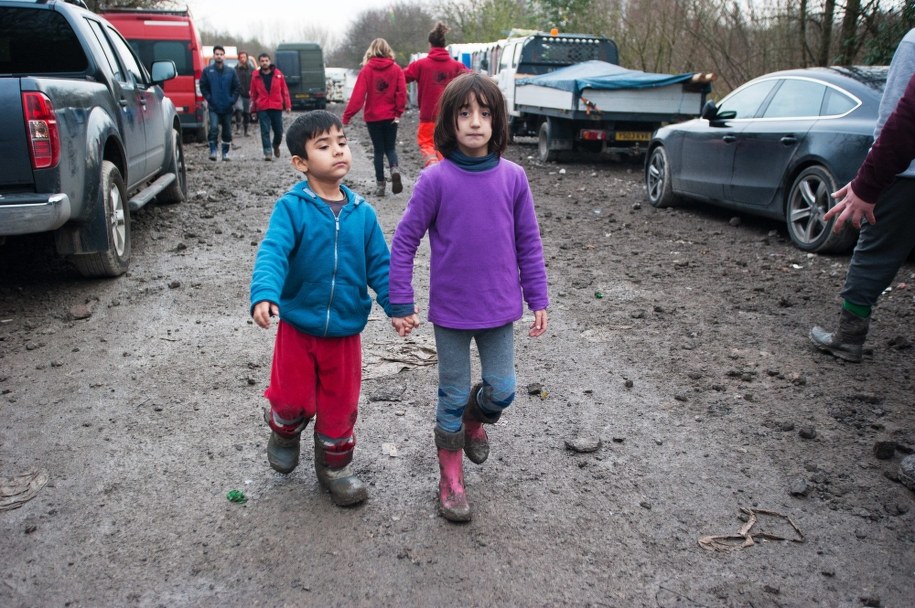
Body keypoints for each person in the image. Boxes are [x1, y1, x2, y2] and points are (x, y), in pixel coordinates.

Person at [388, 73, 550, 522]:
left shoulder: (514, 178)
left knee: (504, 389)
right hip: (452, 313)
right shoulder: (435, 180)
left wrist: (539, 298)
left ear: (498, 122)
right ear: (450, 121)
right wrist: (400, 300)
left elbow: (529, 243)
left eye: (484, 113)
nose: (475, 122)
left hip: (499, 311)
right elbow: (404, 242)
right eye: (464, 113)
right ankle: (451, 480)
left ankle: (475, 421)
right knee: (452, 393)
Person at [250, 110, 394, 506]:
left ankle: (334, 468)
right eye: (324, 146)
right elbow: (273, 252)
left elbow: (380, 265)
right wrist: (265, 293)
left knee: (340, 406)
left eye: (342, 142)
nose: (338, 151)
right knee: (291, 398)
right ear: (301, 163)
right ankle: (284, 428)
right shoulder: (292, 208)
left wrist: (397, 304)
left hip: (345, 333)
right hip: (298, 328)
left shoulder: (362, 213)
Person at [810, 29, 915, 363]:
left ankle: (848, 337)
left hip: (905, 174)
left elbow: (900, 116)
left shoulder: (913, 41)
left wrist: (869, 182)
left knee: (874, 250)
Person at [342, 38, 407, 198]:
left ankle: (380, 186)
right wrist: (398, 113)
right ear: (388, 50)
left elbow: (358, 96)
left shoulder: (366, 70)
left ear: (371, 51)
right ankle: (394, 169)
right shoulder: (396, 69)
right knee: (390, 148)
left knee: (378, 151)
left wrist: (347, 116)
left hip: (373, 117)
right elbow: (402, 93)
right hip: (391, 116)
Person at [403, 22, 468, 167]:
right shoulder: (456, 66)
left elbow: (401, 77)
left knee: (426, 142)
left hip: (428, 114)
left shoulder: (420, 65)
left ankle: (433, 164)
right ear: (444, 44)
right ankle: (444, 169)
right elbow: (472, 80)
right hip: (449, 116)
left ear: (430, 44)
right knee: (446, 144)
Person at [199, 45, 241, 161]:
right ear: (214, 56)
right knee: (213, 128)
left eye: (221, 54)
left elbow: (237, 87)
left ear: (224, 56)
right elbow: (203, 86)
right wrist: (209, 98)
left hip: (227, 107)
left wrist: (232, 100)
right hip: (214, 106)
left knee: (227, 130)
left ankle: (225, 153)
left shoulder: (231, 71)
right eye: (217, 54)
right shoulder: (208, 71)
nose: (219, 56)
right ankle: (213, 151)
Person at [250, 52, 292, 161]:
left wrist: (287, 105)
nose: (264, 63)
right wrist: (253, 110)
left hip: (276, 105)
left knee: (278, 131)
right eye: (262, 61)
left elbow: (284, 90)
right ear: (260, 62)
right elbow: (253, 94)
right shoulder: (255, 76)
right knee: (265, 130)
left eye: (266, 61)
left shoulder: (278, 74)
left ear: (270, 61)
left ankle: (275, 145)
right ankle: (267, 152)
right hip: (263, 106)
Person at [233, 51, 254, 136]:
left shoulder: (252, 69)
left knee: (247, 112)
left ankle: (247, 130)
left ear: (247, 58)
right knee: (239, 109)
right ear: (238, 59)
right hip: (238, 93)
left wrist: (252, 90)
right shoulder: (235, 69)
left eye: (244, 57)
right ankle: (238, 128)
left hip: (248, 93)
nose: (242, 59)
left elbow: (255, 81)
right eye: (241, 57)